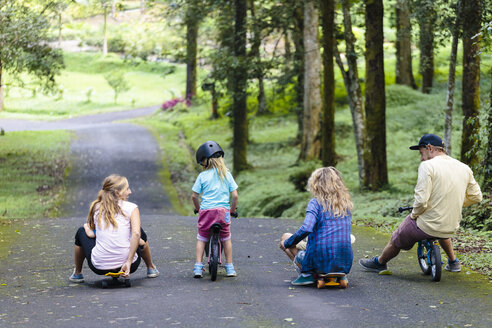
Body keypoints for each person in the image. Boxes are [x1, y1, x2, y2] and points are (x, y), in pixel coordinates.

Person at [359, 134, 483, 274]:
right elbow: (476, 196)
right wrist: (453, 203)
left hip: (427, 225)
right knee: (439, 230)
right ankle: (453, 262)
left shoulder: (427, 166)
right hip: (451, 225)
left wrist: (413, 215)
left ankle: (380, 263)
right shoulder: (464, 167)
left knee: (397, 237)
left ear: (429, 148)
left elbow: (422, 202)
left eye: (421, 153)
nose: (421, 158)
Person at [69, 174, 159, 283]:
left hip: (99, 267)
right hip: (131, 265)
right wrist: (129, 262)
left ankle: (77, 274)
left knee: (81, 232)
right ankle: (151, 268)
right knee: (138, 231)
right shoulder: (132, 208)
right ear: (117, 192)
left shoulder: (96, 207)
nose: (130, 192)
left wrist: (86, 228)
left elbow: (93, 234)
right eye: (127, 189)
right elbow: (136, 234)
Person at [279, 167, 354, 286]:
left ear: (316, 184)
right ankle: (338, 273)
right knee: (288, 237)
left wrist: (287, 244)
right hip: (344, 262)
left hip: (319, 259)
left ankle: (307, 274)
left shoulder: (316, 203)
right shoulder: (346, 204)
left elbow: (306, 228)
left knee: (286, 243)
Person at [192, 141, 238, 278]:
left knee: (202, 238)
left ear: (205, 161)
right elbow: (235, 196)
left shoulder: (202, 176)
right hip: (223, 212)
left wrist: (199, 209)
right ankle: (230, 267)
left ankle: (198, 268)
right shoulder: (226, 174)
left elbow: (194, 196)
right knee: (226, 238)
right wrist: (231, 210)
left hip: (206, 212)